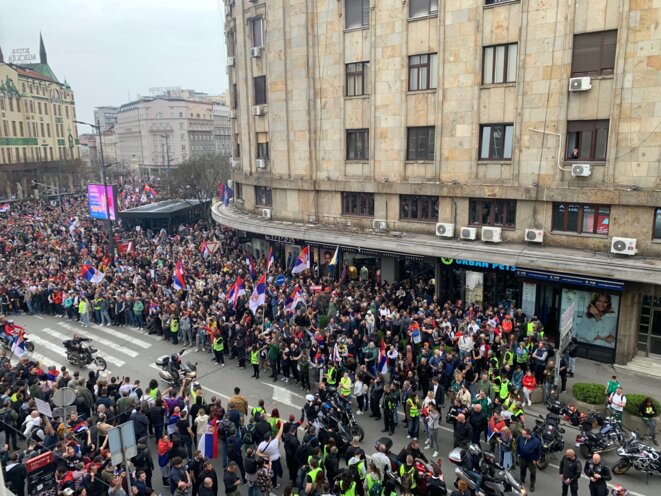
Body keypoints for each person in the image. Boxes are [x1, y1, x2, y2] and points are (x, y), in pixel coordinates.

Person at [517, 428, 541, 492]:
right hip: (522, 459)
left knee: (532, 473)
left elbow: (539, 451)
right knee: (522, 471)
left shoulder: (536, 441)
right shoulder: (521, 438)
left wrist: (536, 460)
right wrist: (518, 453)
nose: (522, 434)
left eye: (523, 433)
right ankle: (522, 482)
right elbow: (518, 445)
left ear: (527, 434)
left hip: (531, 461)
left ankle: (532, 485)